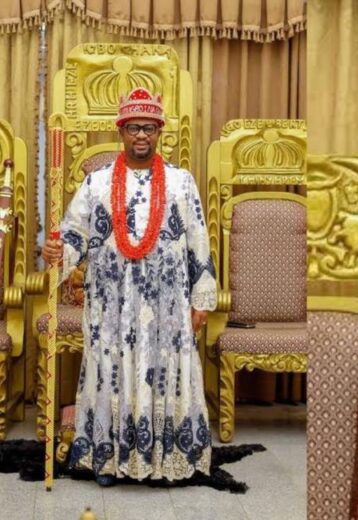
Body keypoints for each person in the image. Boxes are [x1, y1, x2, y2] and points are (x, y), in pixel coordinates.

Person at [42, 87, 216, 486]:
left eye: (149, 128)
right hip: (111, 302)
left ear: (159, 132)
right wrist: (58, 251)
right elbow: (74, 234)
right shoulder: (97, 182)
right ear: (121, 130)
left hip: (168, 302)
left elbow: (199, 242)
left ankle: (165, 461)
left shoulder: (181, 182)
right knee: (111, 372)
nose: (141, 135)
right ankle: (107, 458)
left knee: (163, 372)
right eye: (134, 127)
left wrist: (202, 298)